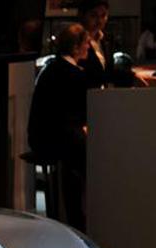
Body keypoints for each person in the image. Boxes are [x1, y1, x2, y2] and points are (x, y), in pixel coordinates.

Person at [28, 23, 92, 232]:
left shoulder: (50, 69)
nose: (89, 47)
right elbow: (79, 116)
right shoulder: (74, 74)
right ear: (76, 47)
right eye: (86, 43)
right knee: (90, 153)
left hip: (40, 137)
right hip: (56, 140)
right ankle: (78, 218)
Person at [78, 0, 112, 89]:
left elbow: (108, 71)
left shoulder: (105, 39)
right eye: (93, 15)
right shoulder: (76, 39)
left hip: (101, 94)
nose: (99, 21)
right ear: (82, 15)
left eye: (103, 15)